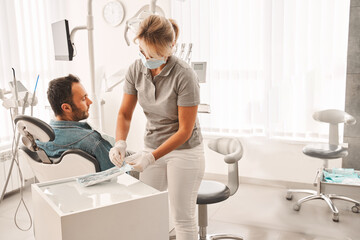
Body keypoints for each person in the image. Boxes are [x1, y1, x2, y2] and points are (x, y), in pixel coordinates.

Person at [109, 15, 205, 240]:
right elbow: (124, 113)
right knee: (148, 213)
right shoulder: (135, 70)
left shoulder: (185, 75)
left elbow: (184, 131)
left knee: (183, 219)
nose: (145, 58)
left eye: (151, 55)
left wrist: (151, 157)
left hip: (185, 150)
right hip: (152, 146)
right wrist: (120, 142)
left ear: (169, 49)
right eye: (141, 51)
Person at [36, 74, 116, 171]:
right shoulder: (93, 141)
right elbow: (120, 175)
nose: (90, 102)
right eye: (83, 99)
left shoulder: (38, 142)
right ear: (66, 108)